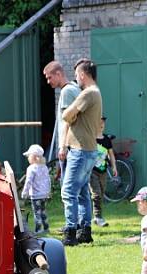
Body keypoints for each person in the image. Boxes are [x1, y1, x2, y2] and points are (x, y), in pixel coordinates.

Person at [60, 58, 103, 246]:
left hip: (80, 150)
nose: (76, 78)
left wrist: (72, 114)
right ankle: (84, 231)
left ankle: (70, 232)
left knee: (68, 191)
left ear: (83, 75)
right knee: (83, 192)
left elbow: (66, 115)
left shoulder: (88, 93)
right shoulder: (96, 93)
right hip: (90, 149)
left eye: (77, 74)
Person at [42, 61, 81, 174]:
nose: (48, 81)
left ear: (58, 74)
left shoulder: (67, 91)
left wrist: (63, 147)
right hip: (77, 146)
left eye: (50, 77)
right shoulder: (75, 87)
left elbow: (67, 121)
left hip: (70, 147)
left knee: (68, 189)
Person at [90, 116, 117, 228]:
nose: (101, 125)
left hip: (103, 170)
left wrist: (114, 167)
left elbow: (111, 154)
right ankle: (98, 217)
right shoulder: (91, 139)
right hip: (92, 171)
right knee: (96, 193)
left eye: (103, 124)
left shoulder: (106, 139)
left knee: (101, 192)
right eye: (99, 123)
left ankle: (96, 216)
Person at [20, 143, 51, 234]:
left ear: (33, 157)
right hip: (44, 194)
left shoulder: (31, 168)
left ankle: (38, 229)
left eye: (29, 156)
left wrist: (24, 192)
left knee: (37, 212)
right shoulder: (44, 167)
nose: (28, 158)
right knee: (43, 211)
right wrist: (48, 191)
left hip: (36, 195)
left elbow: (28, 181)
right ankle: (46, 227)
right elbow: (48, 180)